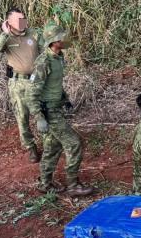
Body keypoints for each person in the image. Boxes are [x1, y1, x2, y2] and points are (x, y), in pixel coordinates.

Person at [29, 24, 94, 196]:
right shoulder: (44, 62)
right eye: (61, 37)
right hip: (49, 112)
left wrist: (64, 98)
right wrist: (39, 117)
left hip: (55, 107)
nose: (64, 39)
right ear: (53, 41)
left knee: (53, 146)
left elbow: (54, 84)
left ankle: (45, 184)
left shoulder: (58, 58)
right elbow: (31, 92)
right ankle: (73, 185)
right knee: (74, 144)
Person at [0, 7, 44, 163]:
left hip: (35, 81)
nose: (22, 22)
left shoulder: (34, 33)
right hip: (17, 83)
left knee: (43, 113)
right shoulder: (6, 38)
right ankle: (31, 148)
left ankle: (50, 143)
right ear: (9, 22)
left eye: (23, 18)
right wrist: (5, 33)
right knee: (22, 117)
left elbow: (45, 53)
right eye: (18, 19)